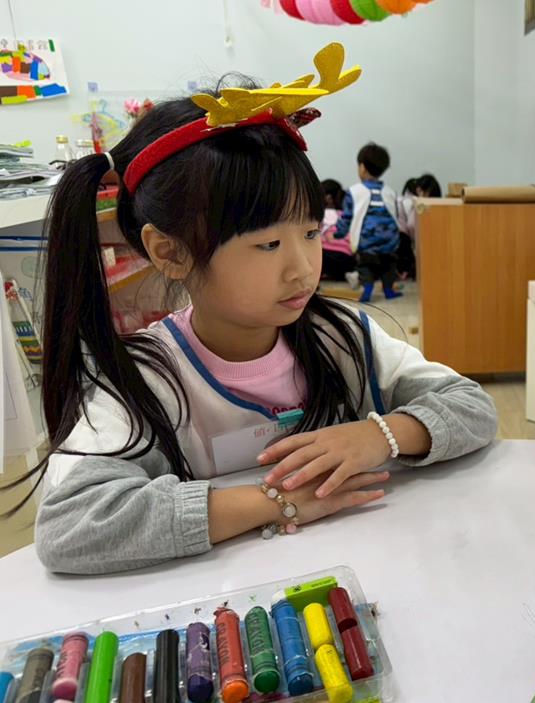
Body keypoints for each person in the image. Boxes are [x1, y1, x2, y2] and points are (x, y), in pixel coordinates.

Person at [22, 71, 497, 574]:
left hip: (365, 573)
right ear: (171, 252)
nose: (303, 269)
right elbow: (68, 525)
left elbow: (472, 406)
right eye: (268, 244)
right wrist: (275, 501)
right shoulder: (145, 378)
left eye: (311, 233)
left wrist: (381, 435)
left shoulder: (341, 336)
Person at [334, 143, 401, 302]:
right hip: (390, 241)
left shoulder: (354, 191)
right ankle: (388, 289)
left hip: (367, 241)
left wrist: (338, 233)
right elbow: (395, 215)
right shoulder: (390, 192)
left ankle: (367, 289)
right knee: (388, 265)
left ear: (362, 167)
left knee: (365, 266)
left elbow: (347, 217)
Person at [318, 178, 355, 284]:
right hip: (346, 262)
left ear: (328, 198)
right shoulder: (346, 216)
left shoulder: (319, 215)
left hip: (325, 258)